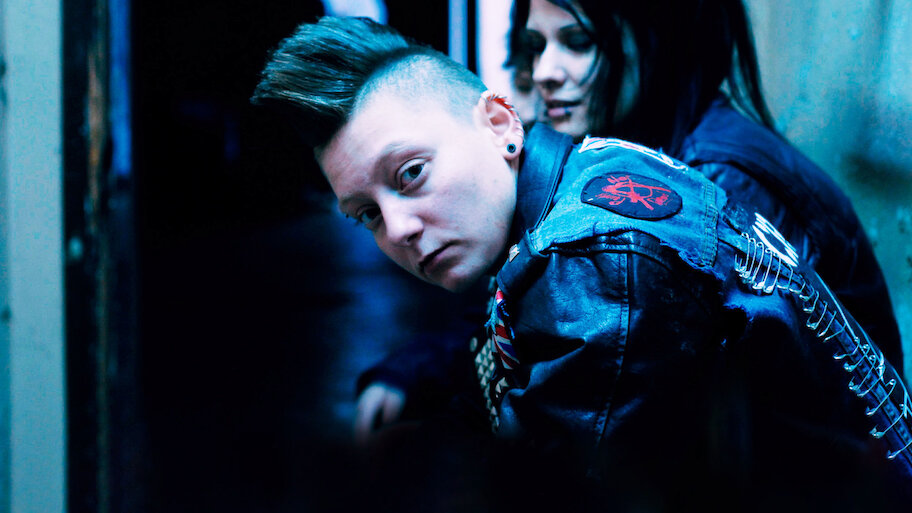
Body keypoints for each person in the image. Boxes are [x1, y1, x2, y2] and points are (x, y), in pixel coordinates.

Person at [251, 16, 911, 511]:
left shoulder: (595, 262)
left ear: (500, 124)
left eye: (411, 173)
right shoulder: (586, 172)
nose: (397, 229)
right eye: (366, 213)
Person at [508, 0, 903, 370]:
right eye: (535, 46)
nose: (544, 71)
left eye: (578, 42)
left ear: (656, 39)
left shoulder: (719, 184)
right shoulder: (643, 155)